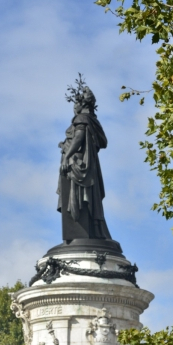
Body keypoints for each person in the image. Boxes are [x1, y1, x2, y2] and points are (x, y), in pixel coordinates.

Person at [57, 81, 112, 241]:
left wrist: (67, 156)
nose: (74, 107)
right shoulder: (93, 121)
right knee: (88, 199)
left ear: (81, 104)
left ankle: (80, 231)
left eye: (75, 104)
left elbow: (79, 138)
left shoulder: (81, 118)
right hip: (89, 165)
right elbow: (103, 142)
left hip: (78, 164)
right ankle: (92, 229)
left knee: (80, 198)